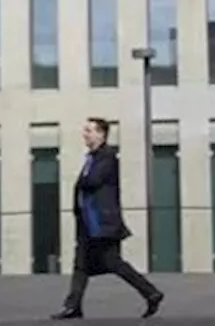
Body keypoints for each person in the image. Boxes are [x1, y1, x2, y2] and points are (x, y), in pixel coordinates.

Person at [51, 118, 164, 320]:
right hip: (89, 223)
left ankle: (151, 293)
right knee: (81, 265)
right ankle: (73, 306)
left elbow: (93, 181)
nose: (85, 134)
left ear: (101, 134)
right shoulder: (93, 157)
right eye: (85, 130)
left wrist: (82, 181)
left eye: (89, 130)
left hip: (102, 223)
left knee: (113, 263)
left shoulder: (107, 157)